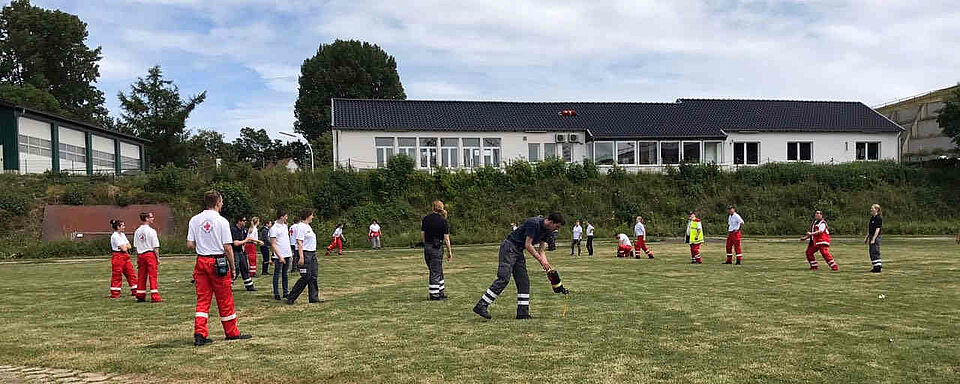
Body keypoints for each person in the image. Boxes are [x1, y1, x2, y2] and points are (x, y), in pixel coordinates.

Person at [187, 190, 252, 346]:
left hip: (201, 261)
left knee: (202, 300)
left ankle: (199, 334)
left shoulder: (194, 220)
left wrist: (203, 246)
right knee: (225, 299)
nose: (222, 204)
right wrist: (233, 267)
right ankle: (231, 332)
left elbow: (190, 244)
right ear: (217, 203)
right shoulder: (222, 221)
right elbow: (227, 247)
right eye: (221, 202)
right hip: (218, 262)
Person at [473, 212, 564, 320]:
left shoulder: (548, 231)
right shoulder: (533, 223)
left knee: (524, 281)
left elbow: (541, 251)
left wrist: (548, 268)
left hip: (519, 251)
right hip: (509, 247)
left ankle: (523, 313)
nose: (556, 229)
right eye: (556, 226)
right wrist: (541, 261)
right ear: (550, 221)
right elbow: (528, 245)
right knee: (504, 278)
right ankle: (481, 305)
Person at [287, 209, 322, 304]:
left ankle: (314, 298)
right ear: (307, 216)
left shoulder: (308, 227)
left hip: (311, 253)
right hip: (305, 254)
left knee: (313, 276)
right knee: (306, 277)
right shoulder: (301, 227)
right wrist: (301, 257)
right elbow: (299, 242)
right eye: (312, 215)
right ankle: (291, 297)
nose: (313, 217)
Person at [421, 200, 454, 300]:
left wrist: (426, 244)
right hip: (437, 247)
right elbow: (446, 238)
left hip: (427, 246)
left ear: (433, 207)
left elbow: (422, 234)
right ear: (441, 208)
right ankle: (434, 294)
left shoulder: (426, 219)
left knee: (436, 269)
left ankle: (440, 291)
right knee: (436, 271)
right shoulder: (443, 221)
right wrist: (449, 252)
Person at [134, 212, 162, 302]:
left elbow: (136, 246)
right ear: (146, 219)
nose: (153, 218)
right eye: (151, 217)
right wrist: (157, 257)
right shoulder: (151, 231)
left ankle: (140, 294)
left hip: (141, 254)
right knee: (152, 276)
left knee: (141, 275)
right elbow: (155, 246)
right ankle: (155, 296)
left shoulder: (137, 231)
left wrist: (138, 258)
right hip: (150, 254)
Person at [108, 219, 138, 298]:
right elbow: (124, 248)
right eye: (123, 225)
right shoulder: (115, 236)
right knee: (117, 275)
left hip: (125, 256)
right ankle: (115, 293)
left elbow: (129, 246)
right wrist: (124, 246)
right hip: (118, 256)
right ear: (118, 227)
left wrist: (124, 246)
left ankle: (135, 290)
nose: (124, 227)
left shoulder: (122, 235)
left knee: (131, 273)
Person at [269, 211, 292, 300]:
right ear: (281, 217)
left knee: (285, 274)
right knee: (277, 274)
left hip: (287, 253)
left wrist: (290, 254)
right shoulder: (274, 228)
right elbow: (273, 244)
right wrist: (280, 256)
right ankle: (276, 293)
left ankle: (285, 292)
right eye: (286, 216)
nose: (287, 218)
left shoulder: (285, 226)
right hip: (279, 255)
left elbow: (286, 241)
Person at [230, 216, 256, 291]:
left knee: (245, 268)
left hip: (241, 251)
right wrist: (245, 241)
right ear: (239, 221)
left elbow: (247, 238)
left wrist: (258, 241)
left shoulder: (243, 230)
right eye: (243, 221)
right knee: (236, 268)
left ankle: (249, 286)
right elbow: (235, 243)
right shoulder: (233, 230)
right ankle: (228, 285)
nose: (245, 222)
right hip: (235, 251)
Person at [865, 204, 883, 273]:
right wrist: (867, 237)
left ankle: (878, 267)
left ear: (876, 209)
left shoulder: (878, 218)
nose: (871, 210)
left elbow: (877, 229)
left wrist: (873, 239)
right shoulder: (872, 218)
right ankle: (875, 266)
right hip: (871, 236)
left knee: (875, 251)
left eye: (872, 208)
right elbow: (870, 229)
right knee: (871, 252)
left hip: (875, 237)